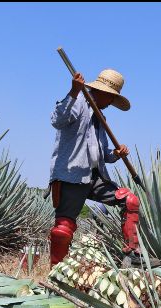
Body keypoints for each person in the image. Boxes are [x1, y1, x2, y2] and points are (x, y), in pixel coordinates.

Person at [48, 68, 142, 267]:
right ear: (103, 93)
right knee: (63, 228)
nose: (110, 103)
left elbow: (101, 153)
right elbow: (57, 120)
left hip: (95, 177)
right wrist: (73, 92)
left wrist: (115, 155)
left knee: (130, 201)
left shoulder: (101, 119)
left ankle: (132, 255)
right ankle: (56, 273)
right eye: (110, 99)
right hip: (72, 175)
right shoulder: (78, 104)